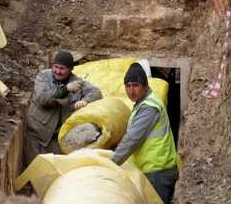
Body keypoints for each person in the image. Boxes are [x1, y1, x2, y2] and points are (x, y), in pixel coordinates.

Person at [112, 62, 178, 204]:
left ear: (145, 86)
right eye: (128, 86)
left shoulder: (149, 107)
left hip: (157, 171)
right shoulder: (142, 104)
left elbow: (132, 139)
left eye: (135, 85)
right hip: (152, 169)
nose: (131, 90)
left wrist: (112, 162)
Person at [24, 51, 102, 166]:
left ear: (70, 69)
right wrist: (66, 89)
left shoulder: (75, 81)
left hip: (57, 136)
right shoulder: (43, 77)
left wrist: (84, 101)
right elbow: (43, 99)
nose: (58, 71)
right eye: (55, 67)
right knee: (35, 169)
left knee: (58, 170)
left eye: (62, 68)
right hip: (37, 134)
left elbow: (96, 92)